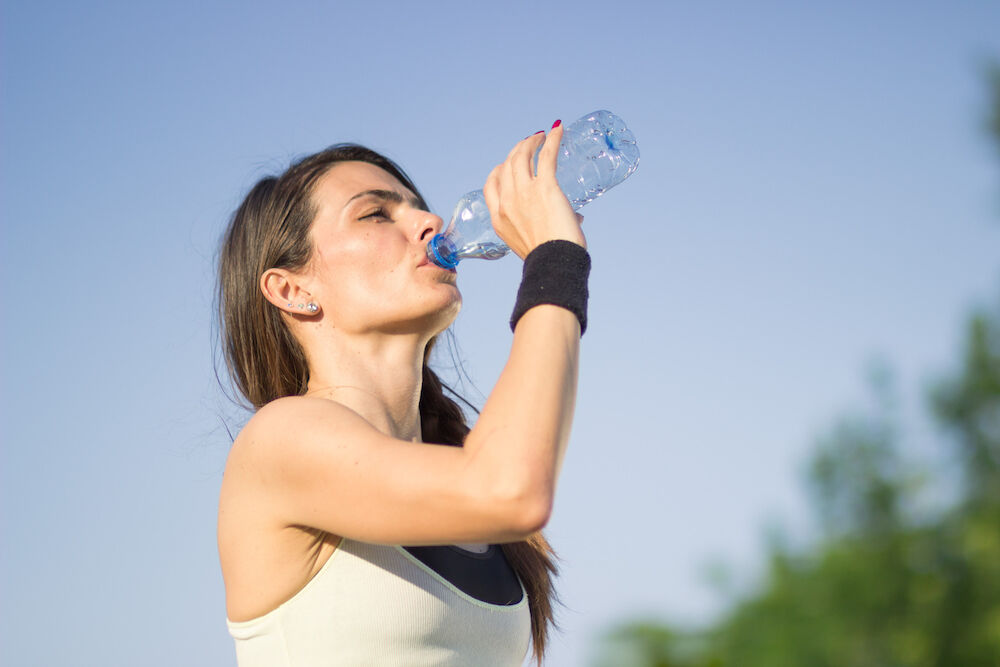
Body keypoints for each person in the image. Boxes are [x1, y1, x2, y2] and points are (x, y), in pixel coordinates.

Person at [216, 119, 590, 666]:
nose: (429, 221)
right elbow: (512, 490)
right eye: (375, 212)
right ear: (293, 290)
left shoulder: (456, 470)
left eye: (418, 206)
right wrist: (555, 261)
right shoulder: (280, 440)